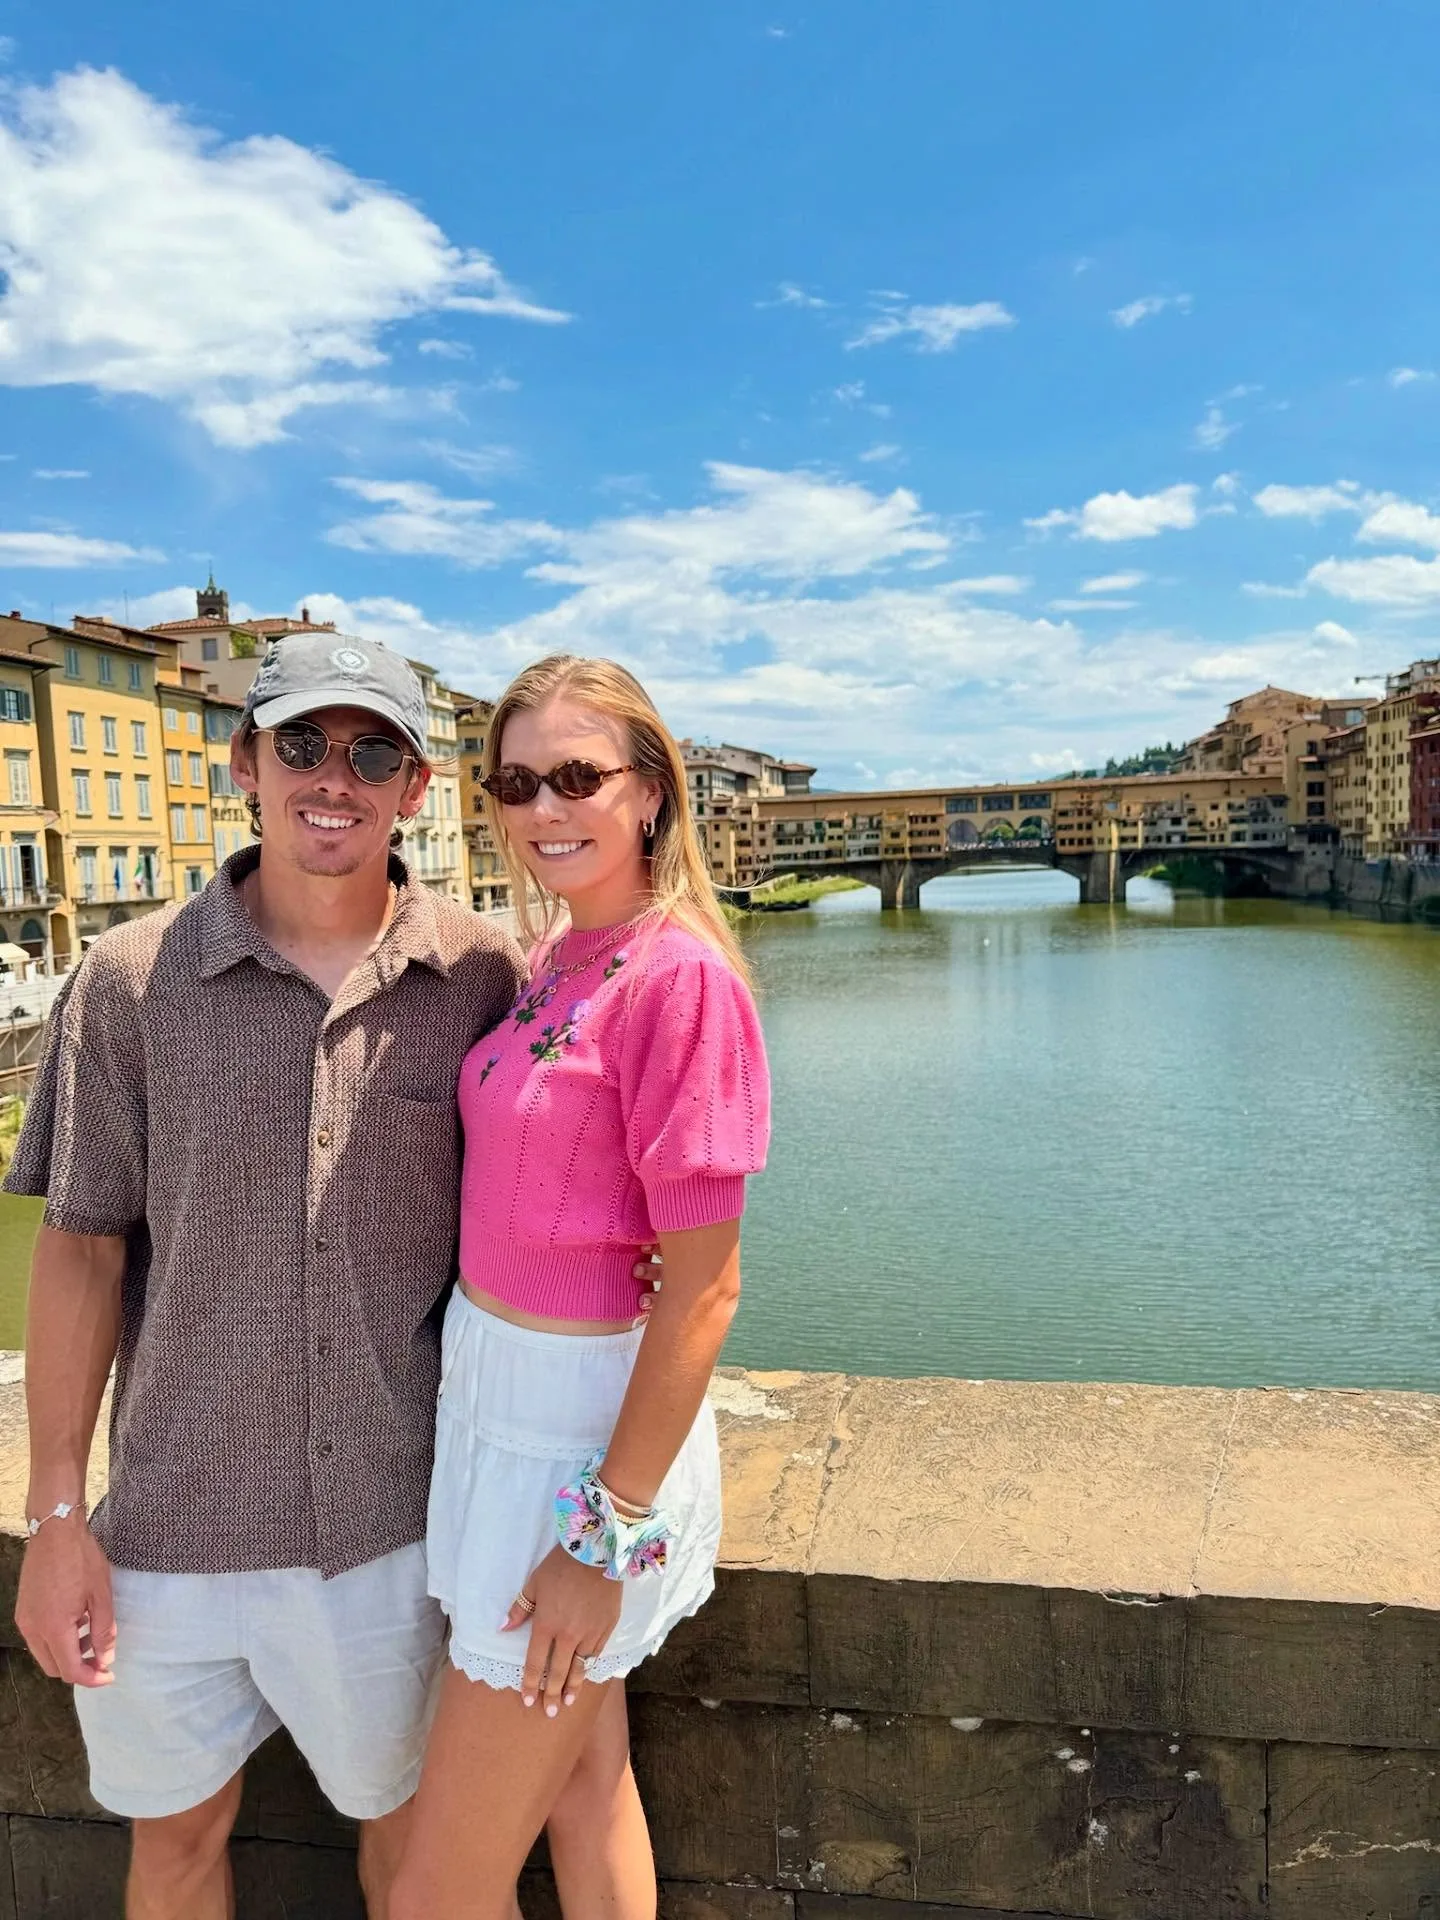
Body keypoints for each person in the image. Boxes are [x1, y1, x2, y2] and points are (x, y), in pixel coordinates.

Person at [3, 634, 533, 1920]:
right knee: (175, 1848)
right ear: (245, 764)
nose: (332, 778)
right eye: (302, 743)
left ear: (416, 787)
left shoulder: (481, 977)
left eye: (373, 753)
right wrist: (58, 1516)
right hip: (166, 1530)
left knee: (408, 1853)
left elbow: (546, 1217)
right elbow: (81, 1246)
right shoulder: (129, 980)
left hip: (389, 1533)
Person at [391, 655, 771, 1920]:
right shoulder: (560, 951)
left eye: (576, 777)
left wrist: (600, 1540)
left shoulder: (681, 979)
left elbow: (705, 1291)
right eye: (516, 784)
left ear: (651, 790)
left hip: (579, 1450)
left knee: (436, 1890)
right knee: (587, 1788)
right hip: (496, 1403)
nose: (543, 808)